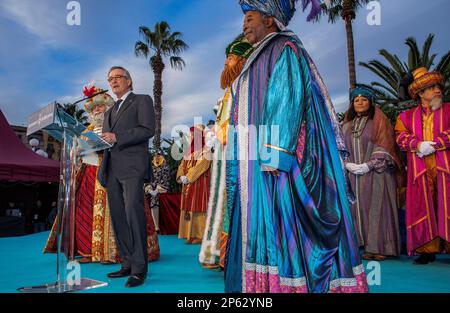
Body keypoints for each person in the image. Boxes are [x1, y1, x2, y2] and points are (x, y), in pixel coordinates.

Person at [224, 0, 369, 293]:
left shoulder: (283, 48)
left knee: (282, 226)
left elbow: (285, 101)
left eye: (250, 17)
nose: (244, 24)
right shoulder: (259, 55)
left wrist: (274, 156)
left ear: (270, 20)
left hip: (273, 164)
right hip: (254, 162)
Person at [44, 86, 160, 265]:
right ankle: (89, 251)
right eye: (93, 108)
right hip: (89, 175)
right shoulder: (85, 130)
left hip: (116, 172)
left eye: (100, 106)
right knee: (85, 215)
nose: (97, 110)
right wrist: (76, 150)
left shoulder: (118, 125)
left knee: (122, 213)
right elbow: (78, 150)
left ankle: (118, 254)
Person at [98, 66, 156, 287]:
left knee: (133, 214)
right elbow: (107, 141)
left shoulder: (142, 100)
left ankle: (140, 269)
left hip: (132, 167)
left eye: (117, 77)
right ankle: (127, 263)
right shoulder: (109, 111)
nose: (113, 82)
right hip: (111, 169)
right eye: (110, 79)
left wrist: (116, 136)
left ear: (129, 81)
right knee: (119, 218)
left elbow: (147, 129)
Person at [199, 34, 253, 269]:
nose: (225, 63)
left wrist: (222, 134)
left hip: (240, 156)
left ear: (242, 60)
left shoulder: (249, 85)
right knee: (221, 204)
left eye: (230, 58)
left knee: (236, 204)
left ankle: (236, 258)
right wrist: (213, 134)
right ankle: (222, 255)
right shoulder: (230, 90)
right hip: (224, 156)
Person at [395, 67, 450, 264]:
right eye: (431, 87)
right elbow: (400, 137)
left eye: (438, 86)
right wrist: (417, 145)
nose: (437, 90)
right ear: (420, 93)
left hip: (445, 168)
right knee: (423, 208)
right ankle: (427, 250)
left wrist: (436, 144)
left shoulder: (449, 109)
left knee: (447, 205)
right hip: (420, 170)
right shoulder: (406, 117)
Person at [342, 86, 404, 261]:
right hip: (353, 175)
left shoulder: (379, 121)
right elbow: (339, 148)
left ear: (370, 102)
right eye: (356, 100)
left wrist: (369, 165)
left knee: (378, 208)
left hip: (378, 173)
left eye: (364, 99)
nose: (360, 103)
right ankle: (366, 247)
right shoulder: (345, 126)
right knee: (358, 210)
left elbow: (386, 144)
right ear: (352, 104)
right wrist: (347, 165)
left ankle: (382, 248)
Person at [177, 125, 211, 245]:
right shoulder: (188, 152)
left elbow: (203, 165)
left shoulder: (205, 150)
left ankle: (201, 235)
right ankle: (190, 234)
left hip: (200, 183)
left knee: (199, 207)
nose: (190, 136)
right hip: (188, 184)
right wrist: (181, 176)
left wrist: (189, 176)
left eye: (193, 134)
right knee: (189, 208)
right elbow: (182, 165)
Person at [145, 152, 171, 233]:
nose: (157, 158)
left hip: (162, 189)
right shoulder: (150, 168)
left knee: (154, 198)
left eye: (159, 156)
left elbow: (166, 181)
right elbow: (146, 180)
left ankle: (156, 227)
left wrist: (157, 190)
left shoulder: (166, 168)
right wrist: (149, 189)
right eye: (156, 156)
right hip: (151, 189)